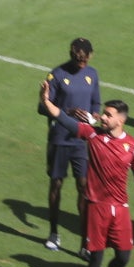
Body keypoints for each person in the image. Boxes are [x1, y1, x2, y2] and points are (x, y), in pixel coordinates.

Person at [40, 98, 134, 267]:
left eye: (108, 115)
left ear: (120, 120)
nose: (103, 117)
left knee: (124, 256)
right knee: (95, 257)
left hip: (120, 208)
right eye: (104, 114)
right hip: (96, 207)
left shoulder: (133, 145)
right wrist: (46, 101)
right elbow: (63, 119)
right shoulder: (92, 134)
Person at [37, 38, 100, 251]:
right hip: (60, 139)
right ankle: (54, 233)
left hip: (82, 141)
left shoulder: (92, 75)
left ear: (90, 56)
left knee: (83, 187)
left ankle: (85, 242)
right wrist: (68, 112)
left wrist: (94, 116)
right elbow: (42, 107)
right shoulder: (56, 75)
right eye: (77, 60)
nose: (81, 64)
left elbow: (96, 103)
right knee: (56, 184)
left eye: (84, 60)